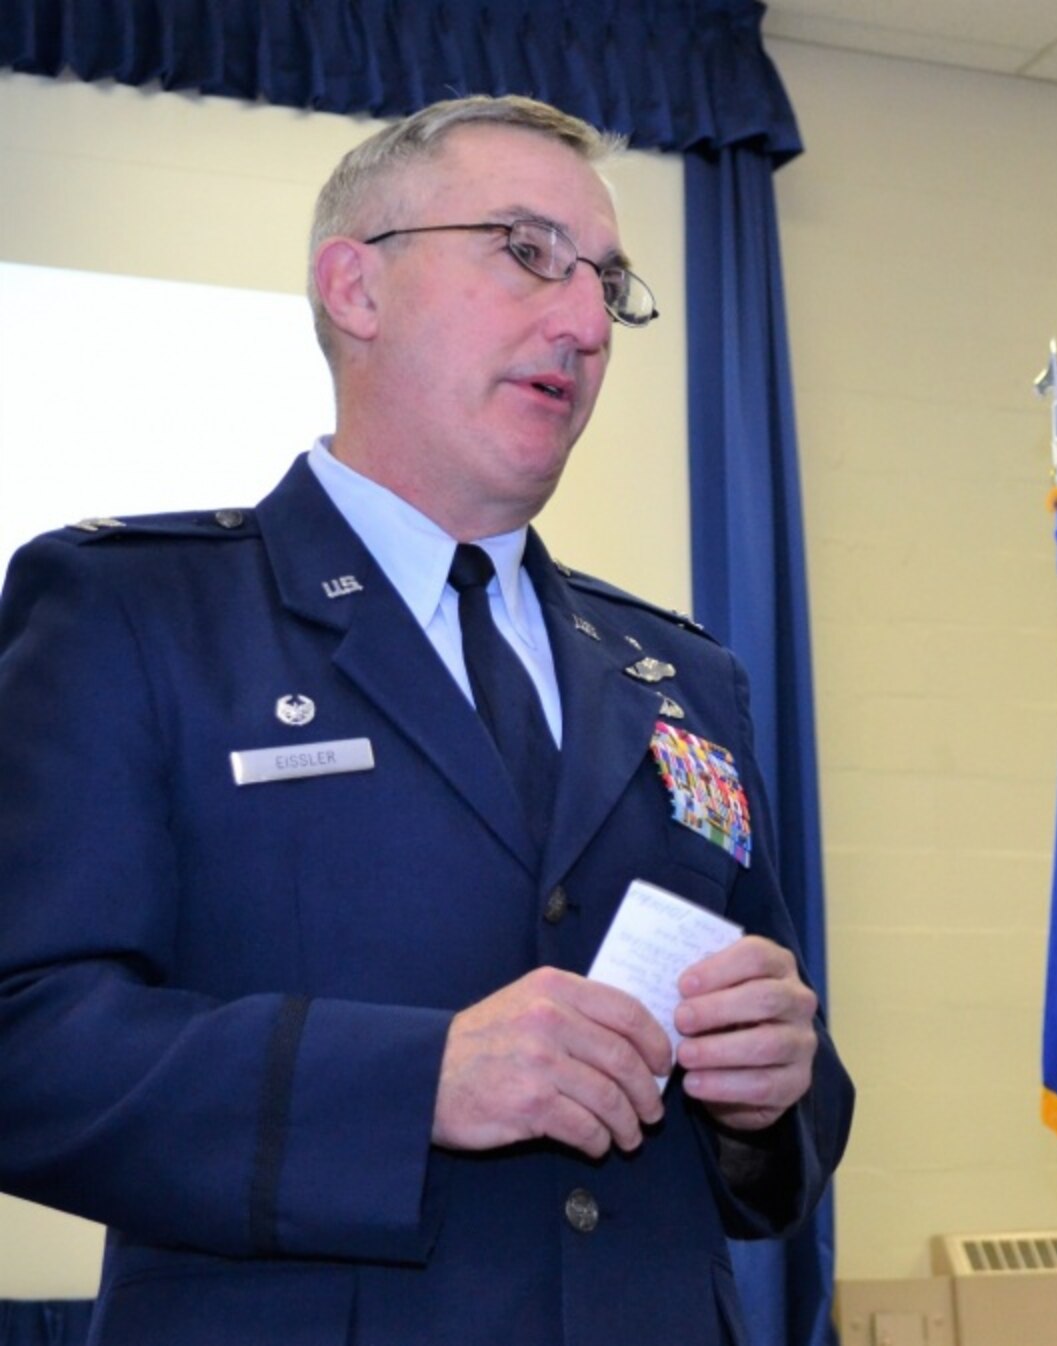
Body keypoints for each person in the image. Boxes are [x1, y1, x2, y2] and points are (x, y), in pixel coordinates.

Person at [0, 95, 852, 1345]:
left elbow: (782, 1116)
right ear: (356, 288)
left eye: (604, 284)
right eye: (524, 251)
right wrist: (413, 1082)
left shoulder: (680, 674)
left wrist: (770, 1085)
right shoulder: (135, 614)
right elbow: (22, 1034)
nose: (581, 319)